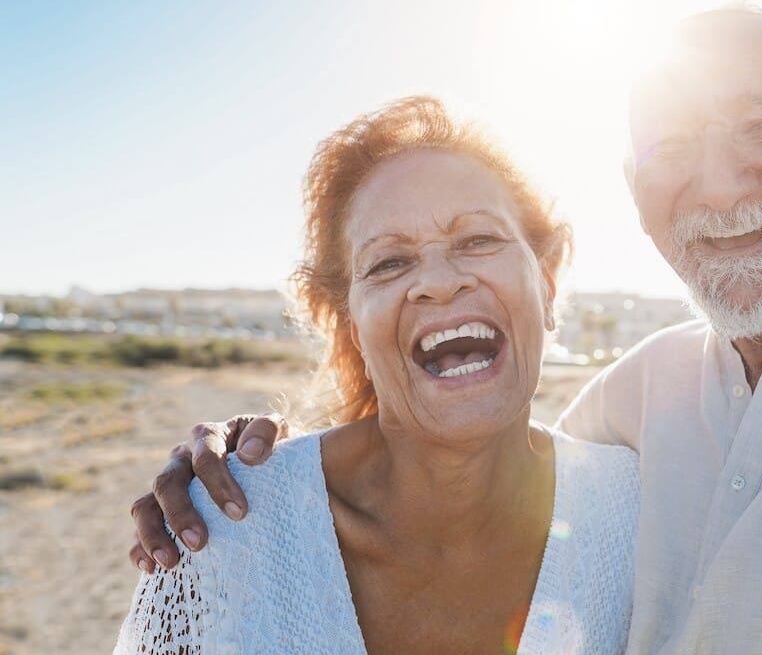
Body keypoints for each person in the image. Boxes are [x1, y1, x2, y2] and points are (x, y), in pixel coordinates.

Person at [128, 6, 762, 654]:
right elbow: (459, 453)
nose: (718, 179)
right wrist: (263, 465)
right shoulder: (631, 403)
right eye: (676, 145)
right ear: (637, 193)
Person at [115, 96, 639, 654]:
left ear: (548, 287)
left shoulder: (641, 509)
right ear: (353, 329)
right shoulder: (223, 536)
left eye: (479, 240)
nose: (439, 281)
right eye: (389, 262)